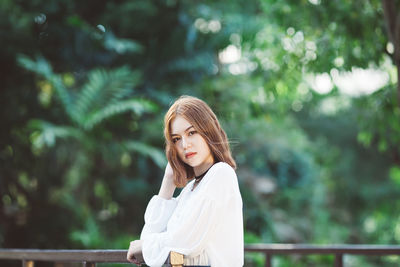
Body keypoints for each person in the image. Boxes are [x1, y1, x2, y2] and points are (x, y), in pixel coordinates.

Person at [127, 96, 243, 267]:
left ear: (207, 130)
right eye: (176, 139)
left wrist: (145, 246)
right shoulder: (190, 190)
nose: (185, 144)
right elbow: (150, 243)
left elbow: (181, 241)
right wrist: (168, 182)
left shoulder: (221, 174)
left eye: (191, 133)